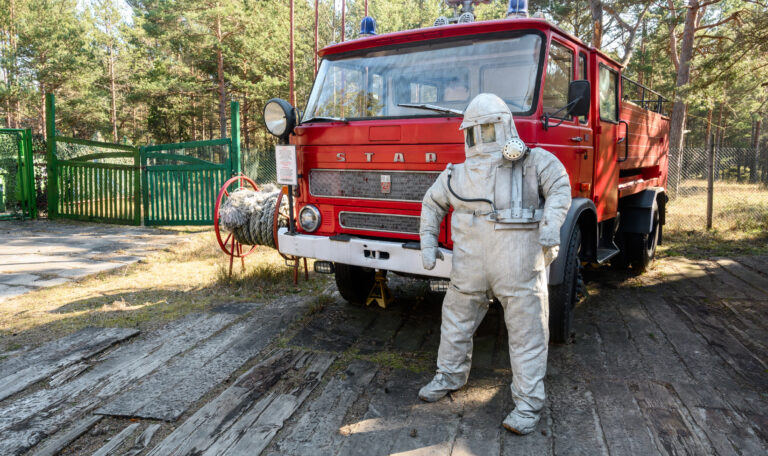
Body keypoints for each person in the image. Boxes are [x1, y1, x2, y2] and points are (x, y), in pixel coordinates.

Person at [418, 93, 571, 435]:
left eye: (489, 128)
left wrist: (550, 224)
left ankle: (528, 405)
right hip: (470, 267)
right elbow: (431, 204)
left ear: (505, 126)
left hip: (518, 267)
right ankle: (449, 376)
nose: (483, 136)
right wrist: (427, 244)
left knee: (527, 335)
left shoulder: (533, 162)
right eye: (476, 130)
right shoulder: (456, 174)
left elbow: (560, 186)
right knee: (455, 321)